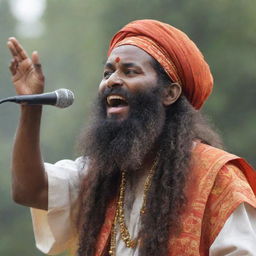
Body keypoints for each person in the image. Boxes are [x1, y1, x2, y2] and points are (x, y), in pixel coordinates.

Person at [7, 19, 256, 256]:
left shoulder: (218, 180)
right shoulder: (99, 175)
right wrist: (30, 108)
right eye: (107, 73)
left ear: (169, 93)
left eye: (130, 71)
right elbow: (30, 190)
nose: (112, 81)